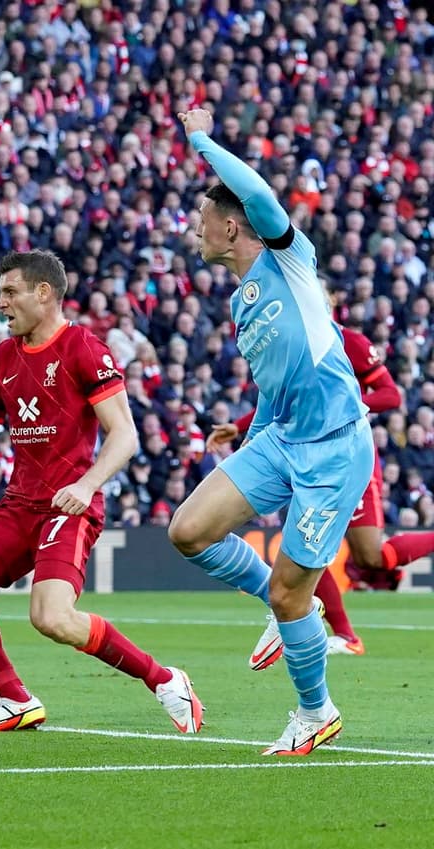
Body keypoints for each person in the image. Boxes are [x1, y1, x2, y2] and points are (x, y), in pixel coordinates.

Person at [0, 250, 203, 734]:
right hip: (18, 505)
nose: (1, 302)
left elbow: (125, 435)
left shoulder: (84, 349)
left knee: (51, 618)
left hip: (67, 508)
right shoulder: (2, 359)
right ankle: (15, 700)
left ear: (42, 293)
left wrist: (86, 485)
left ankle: (165, 680)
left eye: (10, 292)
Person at [168, 109, 373, 756]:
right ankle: (295, 610)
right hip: (281, 436)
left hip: (335, 446)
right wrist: (249, 427)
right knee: (188, 530)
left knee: (290, 590)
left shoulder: (291, 260)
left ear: (232, 227)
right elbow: (276, 377)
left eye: (203, 220)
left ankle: (316, 711)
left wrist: (200, 139)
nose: (196, 230)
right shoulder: (240, 299)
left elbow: (257, 193)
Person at [207, 318, 432, 656]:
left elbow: (390, 393)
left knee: (372, 556)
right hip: (304, 456)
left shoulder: (349, 341)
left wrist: (342, 407)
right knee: (302, 543)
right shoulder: (293, 344)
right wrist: (239, 427)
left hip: (347, 455)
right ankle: (346, 636)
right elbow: (280, 401)